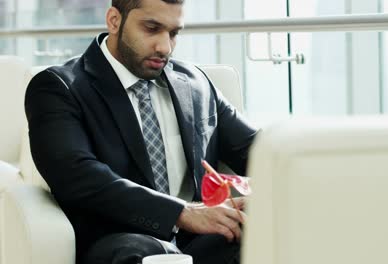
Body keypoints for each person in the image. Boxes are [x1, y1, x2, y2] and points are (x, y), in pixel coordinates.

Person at [24, 0, 258, 263]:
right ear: (114, 20)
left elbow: (259, 151)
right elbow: (76, 175)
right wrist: (181, 213)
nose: (165, 47)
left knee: (261, 238)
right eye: (151, 28)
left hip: (200, 241)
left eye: (173, 33)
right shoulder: (59, 88)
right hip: (119, 241)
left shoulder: (196, 84)